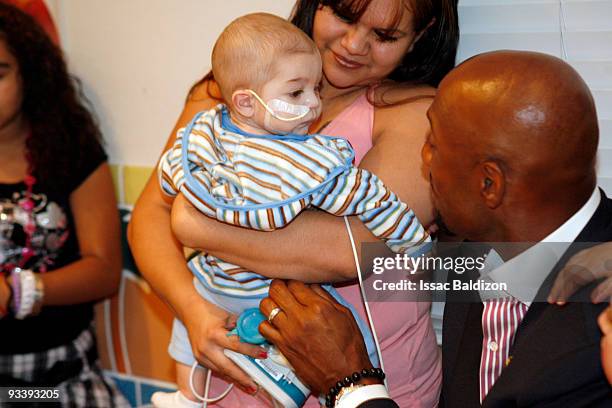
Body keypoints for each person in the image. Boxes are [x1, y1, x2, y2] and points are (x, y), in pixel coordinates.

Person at [128, 0, 459, 406]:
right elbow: (148, 216)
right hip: (229, 376)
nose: (354, 44)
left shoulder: (418, 113)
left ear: (419, 37)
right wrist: (192, 309)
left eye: (384, 35)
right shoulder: (225, 94)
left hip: (374, 389)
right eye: (344, 15)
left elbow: (346, 251)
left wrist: (194, 223)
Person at [258, 50, 612, 407]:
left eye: (434, 146)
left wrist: (349, 380)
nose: (423, 160)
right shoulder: (485, 253)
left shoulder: (591, 345)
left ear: (489, 185)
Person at [0, 3, 127, 407]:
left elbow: (105, 271)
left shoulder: (71, 150)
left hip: (56, 379)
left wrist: (19, 291)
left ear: (29, 74)